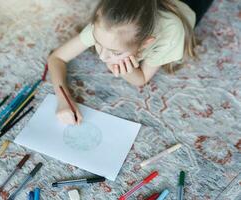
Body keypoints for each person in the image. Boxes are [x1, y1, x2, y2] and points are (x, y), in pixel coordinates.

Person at [47, 0, 214, 125]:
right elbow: (56, 57)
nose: (103, 57)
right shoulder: (107, 24)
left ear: (146, 43)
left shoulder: (170, 33)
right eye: (97, 42)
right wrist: (63, 98)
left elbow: (141, 79)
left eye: (115, 52)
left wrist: (127, 71)